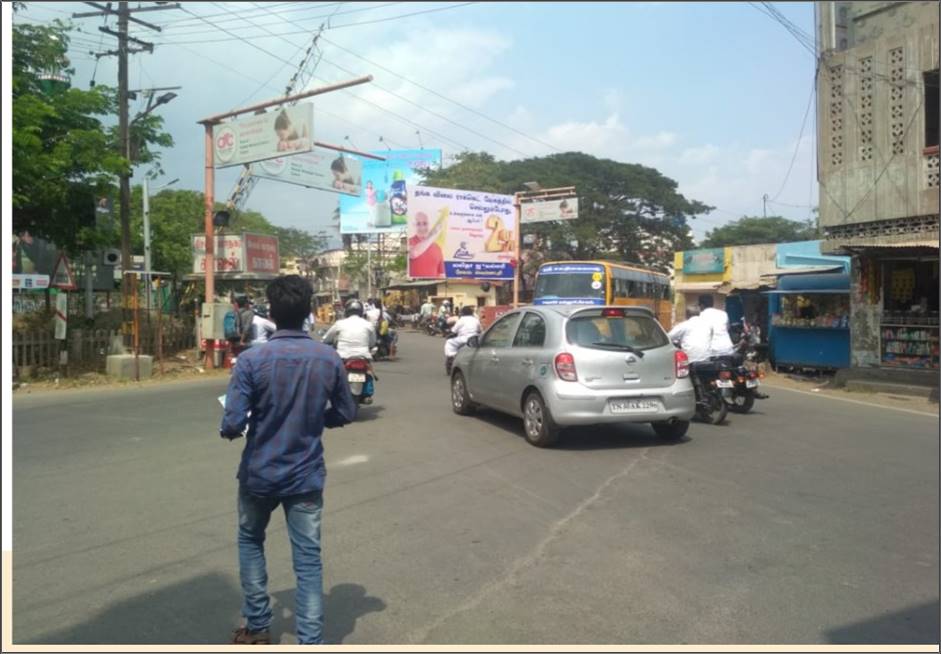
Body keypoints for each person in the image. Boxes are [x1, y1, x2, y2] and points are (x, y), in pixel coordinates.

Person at [220, 275, 357, 646]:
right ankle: (311, 641)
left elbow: (232, 422)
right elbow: (346, 411)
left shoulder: (250, 361)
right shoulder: (328, 358)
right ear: (308, 311)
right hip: (306, 476)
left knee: (251, 540)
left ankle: (258, 626)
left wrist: (233, 429)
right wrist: (316, 420)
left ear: (272, 312)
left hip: (259, 474)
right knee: (308, 559)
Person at [322, 300, 377, 402]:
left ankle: (332, 393)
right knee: (368, 372)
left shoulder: (340, 323)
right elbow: (373, 342)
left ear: (346, 311)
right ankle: (365, 394)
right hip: (363, 356)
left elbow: (326, 339)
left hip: (343, 356)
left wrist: (325, 342)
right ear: (361, 311)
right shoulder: (368, 324)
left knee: (332, 373)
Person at [444, 305, 482, 373]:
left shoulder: (461, 320)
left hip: (463, 339)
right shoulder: (476, 320)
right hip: (474, 339)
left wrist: (448, 336)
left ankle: (451, 358)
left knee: (449, 342)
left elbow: (453, 331)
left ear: (463, 313)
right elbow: (480, 330)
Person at [408, 211, 444, 278]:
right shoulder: (409, 242)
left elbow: (441, 274)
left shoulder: (437, 248)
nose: (422, 227)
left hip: (433, 287)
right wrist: (433, 235)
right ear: (413, 225)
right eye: (418, 224)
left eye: (425, 223)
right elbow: (413, 254)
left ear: (429, 225)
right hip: (413, 287)